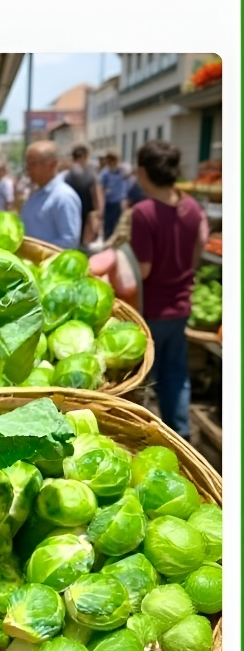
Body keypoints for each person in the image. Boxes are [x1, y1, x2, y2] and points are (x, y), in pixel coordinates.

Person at [130, 140, 208, 439]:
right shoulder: (191, 206)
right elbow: (199, 246)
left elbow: (145, 269)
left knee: (144, 381)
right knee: (177, 375)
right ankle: (181, 434)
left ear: (142, 172)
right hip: (180, 306)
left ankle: (145, 438)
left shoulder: (144, 213)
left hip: (151, 310)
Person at [20, 141, 82, 249]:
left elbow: (69, 241)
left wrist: (35, 250)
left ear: (52, 164)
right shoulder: (36, 193)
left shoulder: (63, 197)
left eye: (33, 164)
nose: (28, 169)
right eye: (27, 164)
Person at [65, 143, 103, 246]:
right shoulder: (91, 174)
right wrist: (99, 216)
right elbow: (96, 199)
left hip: (69, 218)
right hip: (86, 221)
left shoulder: (66, 174)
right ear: (84, 156)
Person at [99, 148, 128, 239]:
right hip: (108, 204)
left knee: (119, 227)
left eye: (114, 160)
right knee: (108, 227)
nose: (112, 163)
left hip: (119, 203)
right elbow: (101, 189)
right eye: (110, 161)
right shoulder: (105, 173)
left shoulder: (122, 171)